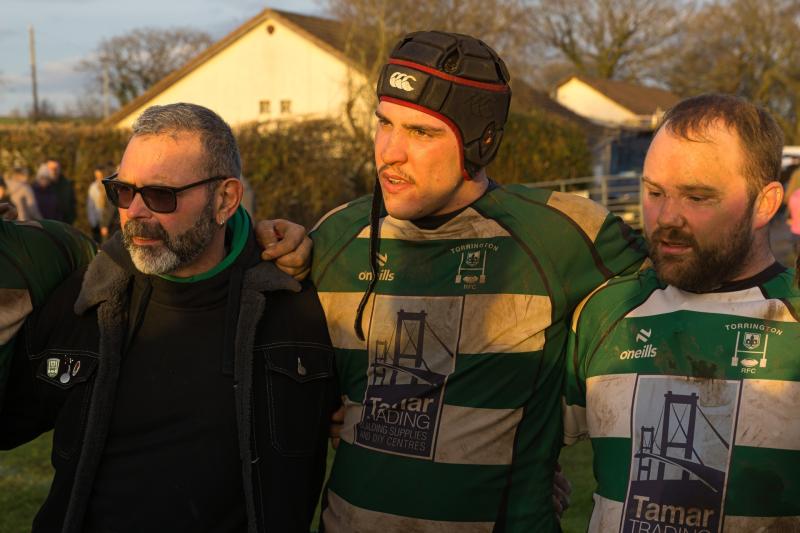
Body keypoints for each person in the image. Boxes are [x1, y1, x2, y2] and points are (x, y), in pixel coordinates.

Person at [305, 31, 646, 531]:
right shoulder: (333, 236)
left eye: (422, 132)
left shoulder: (562, 233)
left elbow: (688, 279)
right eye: (384, 123)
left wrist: (559, 424)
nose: (390, 152)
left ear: (480, 143)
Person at [0, 102, 338, 533]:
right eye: (123, 191)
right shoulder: (84, 297)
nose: (135, 212)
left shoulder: (299, 303)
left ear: (225, 199)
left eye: (161, 195)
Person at [563, 94, 800, 532]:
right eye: (654, 192)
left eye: (697, 196)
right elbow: (520, 457)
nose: (667, 217)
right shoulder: (606, 310)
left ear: (765, 204)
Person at [86, 163, 117, 242]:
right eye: (96, 176)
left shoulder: (109, 186)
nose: (98, 178)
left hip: (108, 221)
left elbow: (110, 206)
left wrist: (105, 224)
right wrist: (93, 221)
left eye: (100, 175)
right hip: (97, 220)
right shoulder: (93, 187)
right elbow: (90, 206)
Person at [46, 158, 77, 225]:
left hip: (64, 225)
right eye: (51, 168)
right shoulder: (42, 187)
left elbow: (72, 204)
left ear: (60, 169)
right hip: (47, 226)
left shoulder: (67, 185)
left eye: (56, 168)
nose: (54, 171)